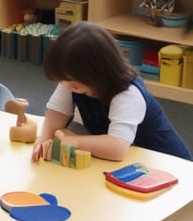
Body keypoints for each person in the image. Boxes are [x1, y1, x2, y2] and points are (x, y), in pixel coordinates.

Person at [32, 21, 192, 162]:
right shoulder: (73, 82)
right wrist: (44, 139)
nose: (66, 85)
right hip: (134, 162)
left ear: (95, 72)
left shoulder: (127, 94)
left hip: (169, 165)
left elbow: (117, 147)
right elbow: (57, 111)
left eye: (70, 81)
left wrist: (76, 141)